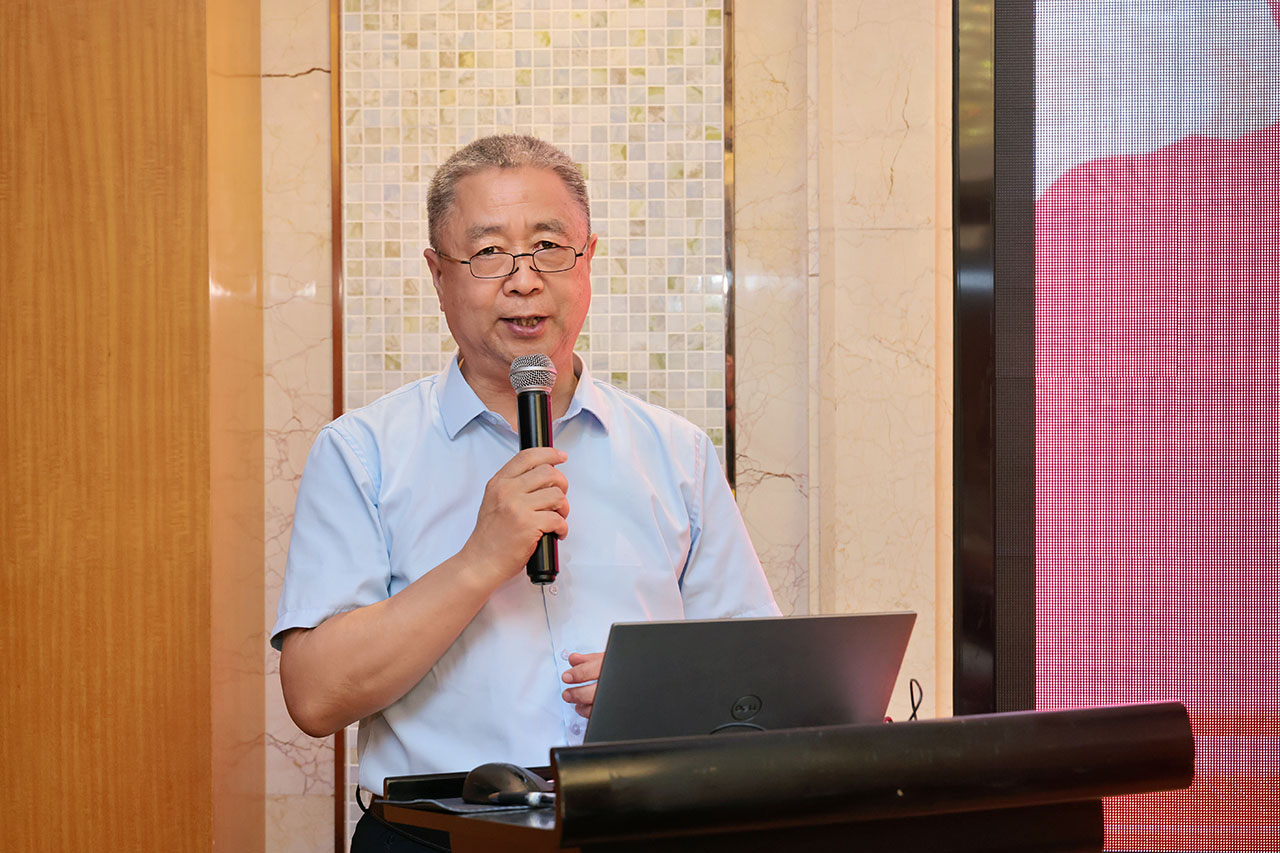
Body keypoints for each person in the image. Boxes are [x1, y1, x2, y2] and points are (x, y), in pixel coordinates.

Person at [271, 134, 779, 849]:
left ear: (588, 259)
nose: (524, 280)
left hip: (644, 826)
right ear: (438, 274)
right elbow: (315, 697)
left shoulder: (677, 452)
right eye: (488, 253)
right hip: (435, 836)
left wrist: (663, 689)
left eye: (548, 247)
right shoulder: (363, 452)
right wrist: (478, 562)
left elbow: (761, 680)